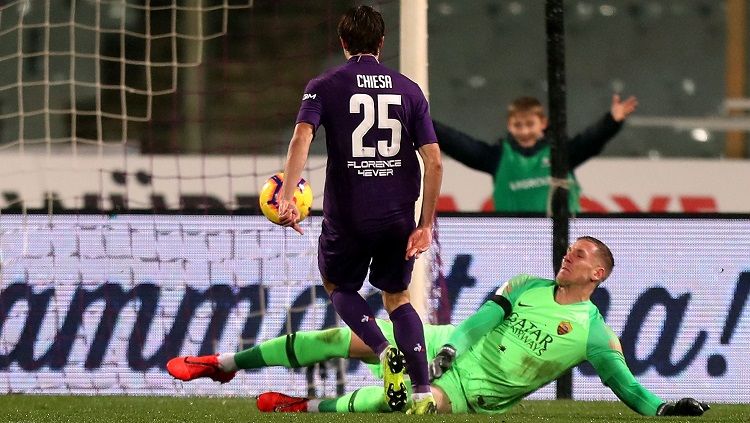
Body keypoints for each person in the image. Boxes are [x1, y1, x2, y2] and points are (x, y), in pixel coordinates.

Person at [167, 236, 710, 417]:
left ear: (599, 274)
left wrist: (660, 410)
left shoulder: (593, 332)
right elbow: (479, 321)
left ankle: (302, 407)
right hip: (450, 346)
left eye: (582, 253)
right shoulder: (525, 284)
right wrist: (446, 352)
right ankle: (221, 364)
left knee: (407, 404)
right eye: (571, 248)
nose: (570, 255)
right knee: (341, 337)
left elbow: (625, 383)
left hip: (475, 390)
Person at [257, 5, 443, 414]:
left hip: (349, 214)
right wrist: (425, 224)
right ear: (381, 42)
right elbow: (434, 161)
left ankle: (381, 351)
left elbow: (301, 138)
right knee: (397, 297)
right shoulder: (410, 89)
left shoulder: (324, 85)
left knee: (339, 287)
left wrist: (287, 197)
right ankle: (424, 392)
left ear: (342, 43)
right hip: (397, 215)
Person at [433, 95, 638, 212]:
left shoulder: (561, 153)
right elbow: (460, 144)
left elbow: (590, 140)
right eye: (517, 125)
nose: (524, 130)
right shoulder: (497, 157)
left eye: (530, 124)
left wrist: (611, 121)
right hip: (515, 240)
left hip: (563, 238)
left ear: (543, 123)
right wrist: (425, 123)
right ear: (509, 125)